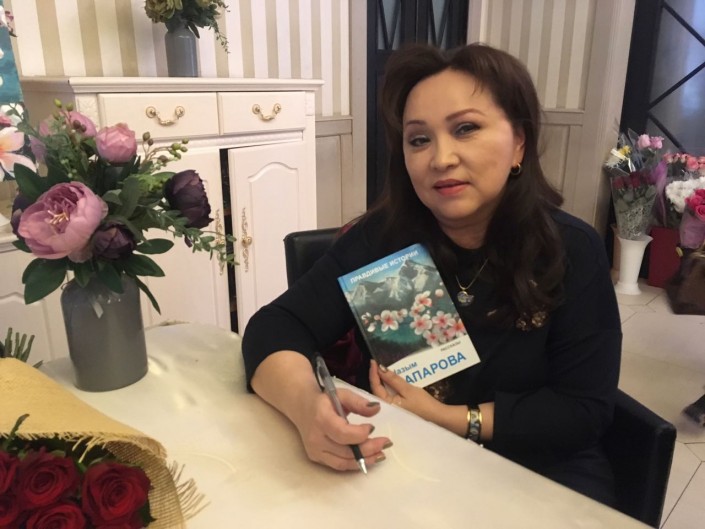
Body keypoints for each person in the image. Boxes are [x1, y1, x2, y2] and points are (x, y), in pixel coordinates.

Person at [242, 42, 621, 506]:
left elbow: (582, 412)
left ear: (519, 142)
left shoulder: (570, 249)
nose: (441, 158)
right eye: (419, 139)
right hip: (406, 459)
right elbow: (275, 327)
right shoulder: (382, 240)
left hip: (539, 471)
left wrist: (447, 417)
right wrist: (307, 408)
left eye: (466, 129)